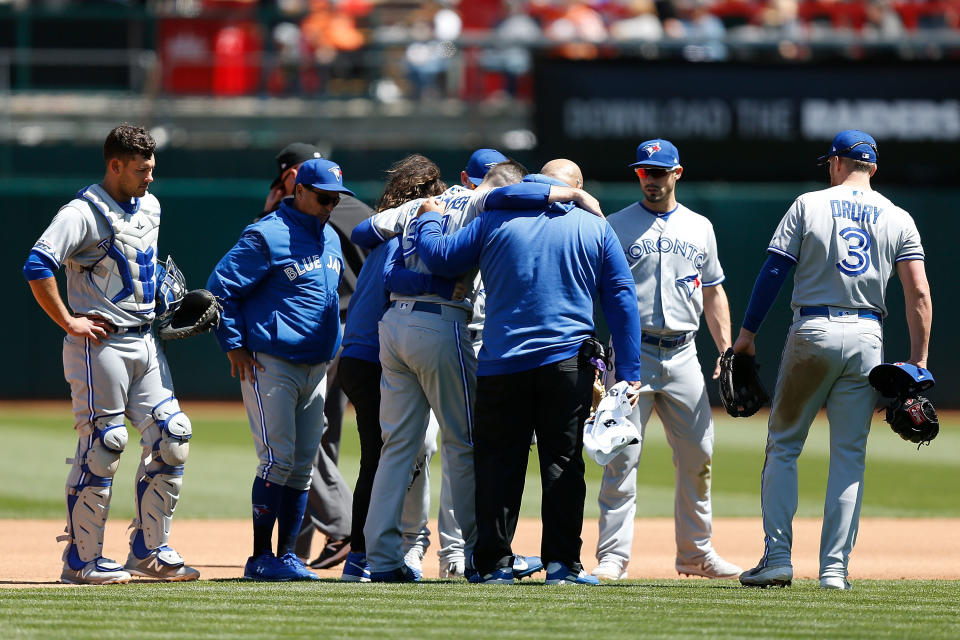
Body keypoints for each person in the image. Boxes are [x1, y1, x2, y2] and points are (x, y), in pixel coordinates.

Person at [414, 159, 645, 585]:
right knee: (563, 463)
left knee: (499, 464)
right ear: (575, 186)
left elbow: (441, 259)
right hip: (567, 364)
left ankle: (494, 565)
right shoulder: (593, 224)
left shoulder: (495, 215)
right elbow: (621, 296)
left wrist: (427, 222)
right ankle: (562, 566)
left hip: (502, 362)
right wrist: (627, 371)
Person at [735, 130, 931, 590]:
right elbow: (918, 292)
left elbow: (775, 270)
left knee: (784, 445)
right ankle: (834, 572)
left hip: (814, 329)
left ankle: (778, 558)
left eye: (830, 163)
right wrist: (918, 366)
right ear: (874, 168)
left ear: (837, 163)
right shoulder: (898, 216)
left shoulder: (809, 204)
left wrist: (746, 336)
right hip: (867, 335)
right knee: (849, 455)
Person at [355, 152, 548, 582]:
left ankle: (382, 559)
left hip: (395, 326)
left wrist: (419, 219)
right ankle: (475, 556)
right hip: (441, 325)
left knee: (397, 448)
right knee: (464, 444)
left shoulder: (425, 201)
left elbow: (361, 231)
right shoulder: (486, 204)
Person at [23, 123, 199, 584]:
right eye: (141, 169)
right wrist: (68, 320)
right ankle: (81, 560)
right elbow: (37, 264)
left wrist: (159, 292)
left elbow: (138, 261)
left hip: (146, 340)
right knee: (106, 443)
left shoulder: (152, 205)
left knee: (173, 434)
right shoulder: (82, 212)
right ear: (115, 164)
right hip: (98, 343)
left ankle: (149, 549)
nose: (150, 177)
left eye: (152, 168)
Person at [592, 139, 742, 581]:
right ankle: (613, 558)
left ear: (677, 173)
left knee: (699, 456)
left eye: (659, 172)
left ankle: (695, 554)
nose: (651, 180)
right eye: (644, 172)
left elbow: (713, 291)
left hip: (683, 353)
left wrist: (726, 349)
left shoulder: (700, 226)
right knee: (619, 459)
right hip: (631, 355)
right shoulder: (615, 226)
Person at [206, 158, 353, 582]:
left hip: (317, 367)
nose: (330, 206)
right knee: (276, 459)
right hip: (272, 363)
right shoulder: (266, 235)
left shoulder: (330, 238)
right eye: (323, 197)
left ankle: (287, 555)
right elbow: (220, 290)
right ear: (300, 191)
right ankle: (259, 557)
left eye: (336, 199)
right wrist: (232, 344)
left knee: (303, 464)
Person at [337, 154, 454, 581]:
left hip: (360, 352)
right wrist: (441, 285)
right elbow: (393, 281)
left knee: (382, 456)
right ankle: (365, 554)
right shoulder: (402, 239)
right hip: (372, 356)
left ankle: (367, 553)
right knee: (384, 459)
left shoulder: (387, 232)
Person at [260, 142, 372, 570]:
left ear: (295, 175)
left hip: (324, 333)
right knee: (323, 438)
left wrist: (267, 214)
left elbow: (271, 260)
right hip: (360, 334)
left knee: (302, 440)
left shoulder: (301, 214)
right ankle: (297, 546)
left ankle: (344, 525)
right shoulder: (359, 209)